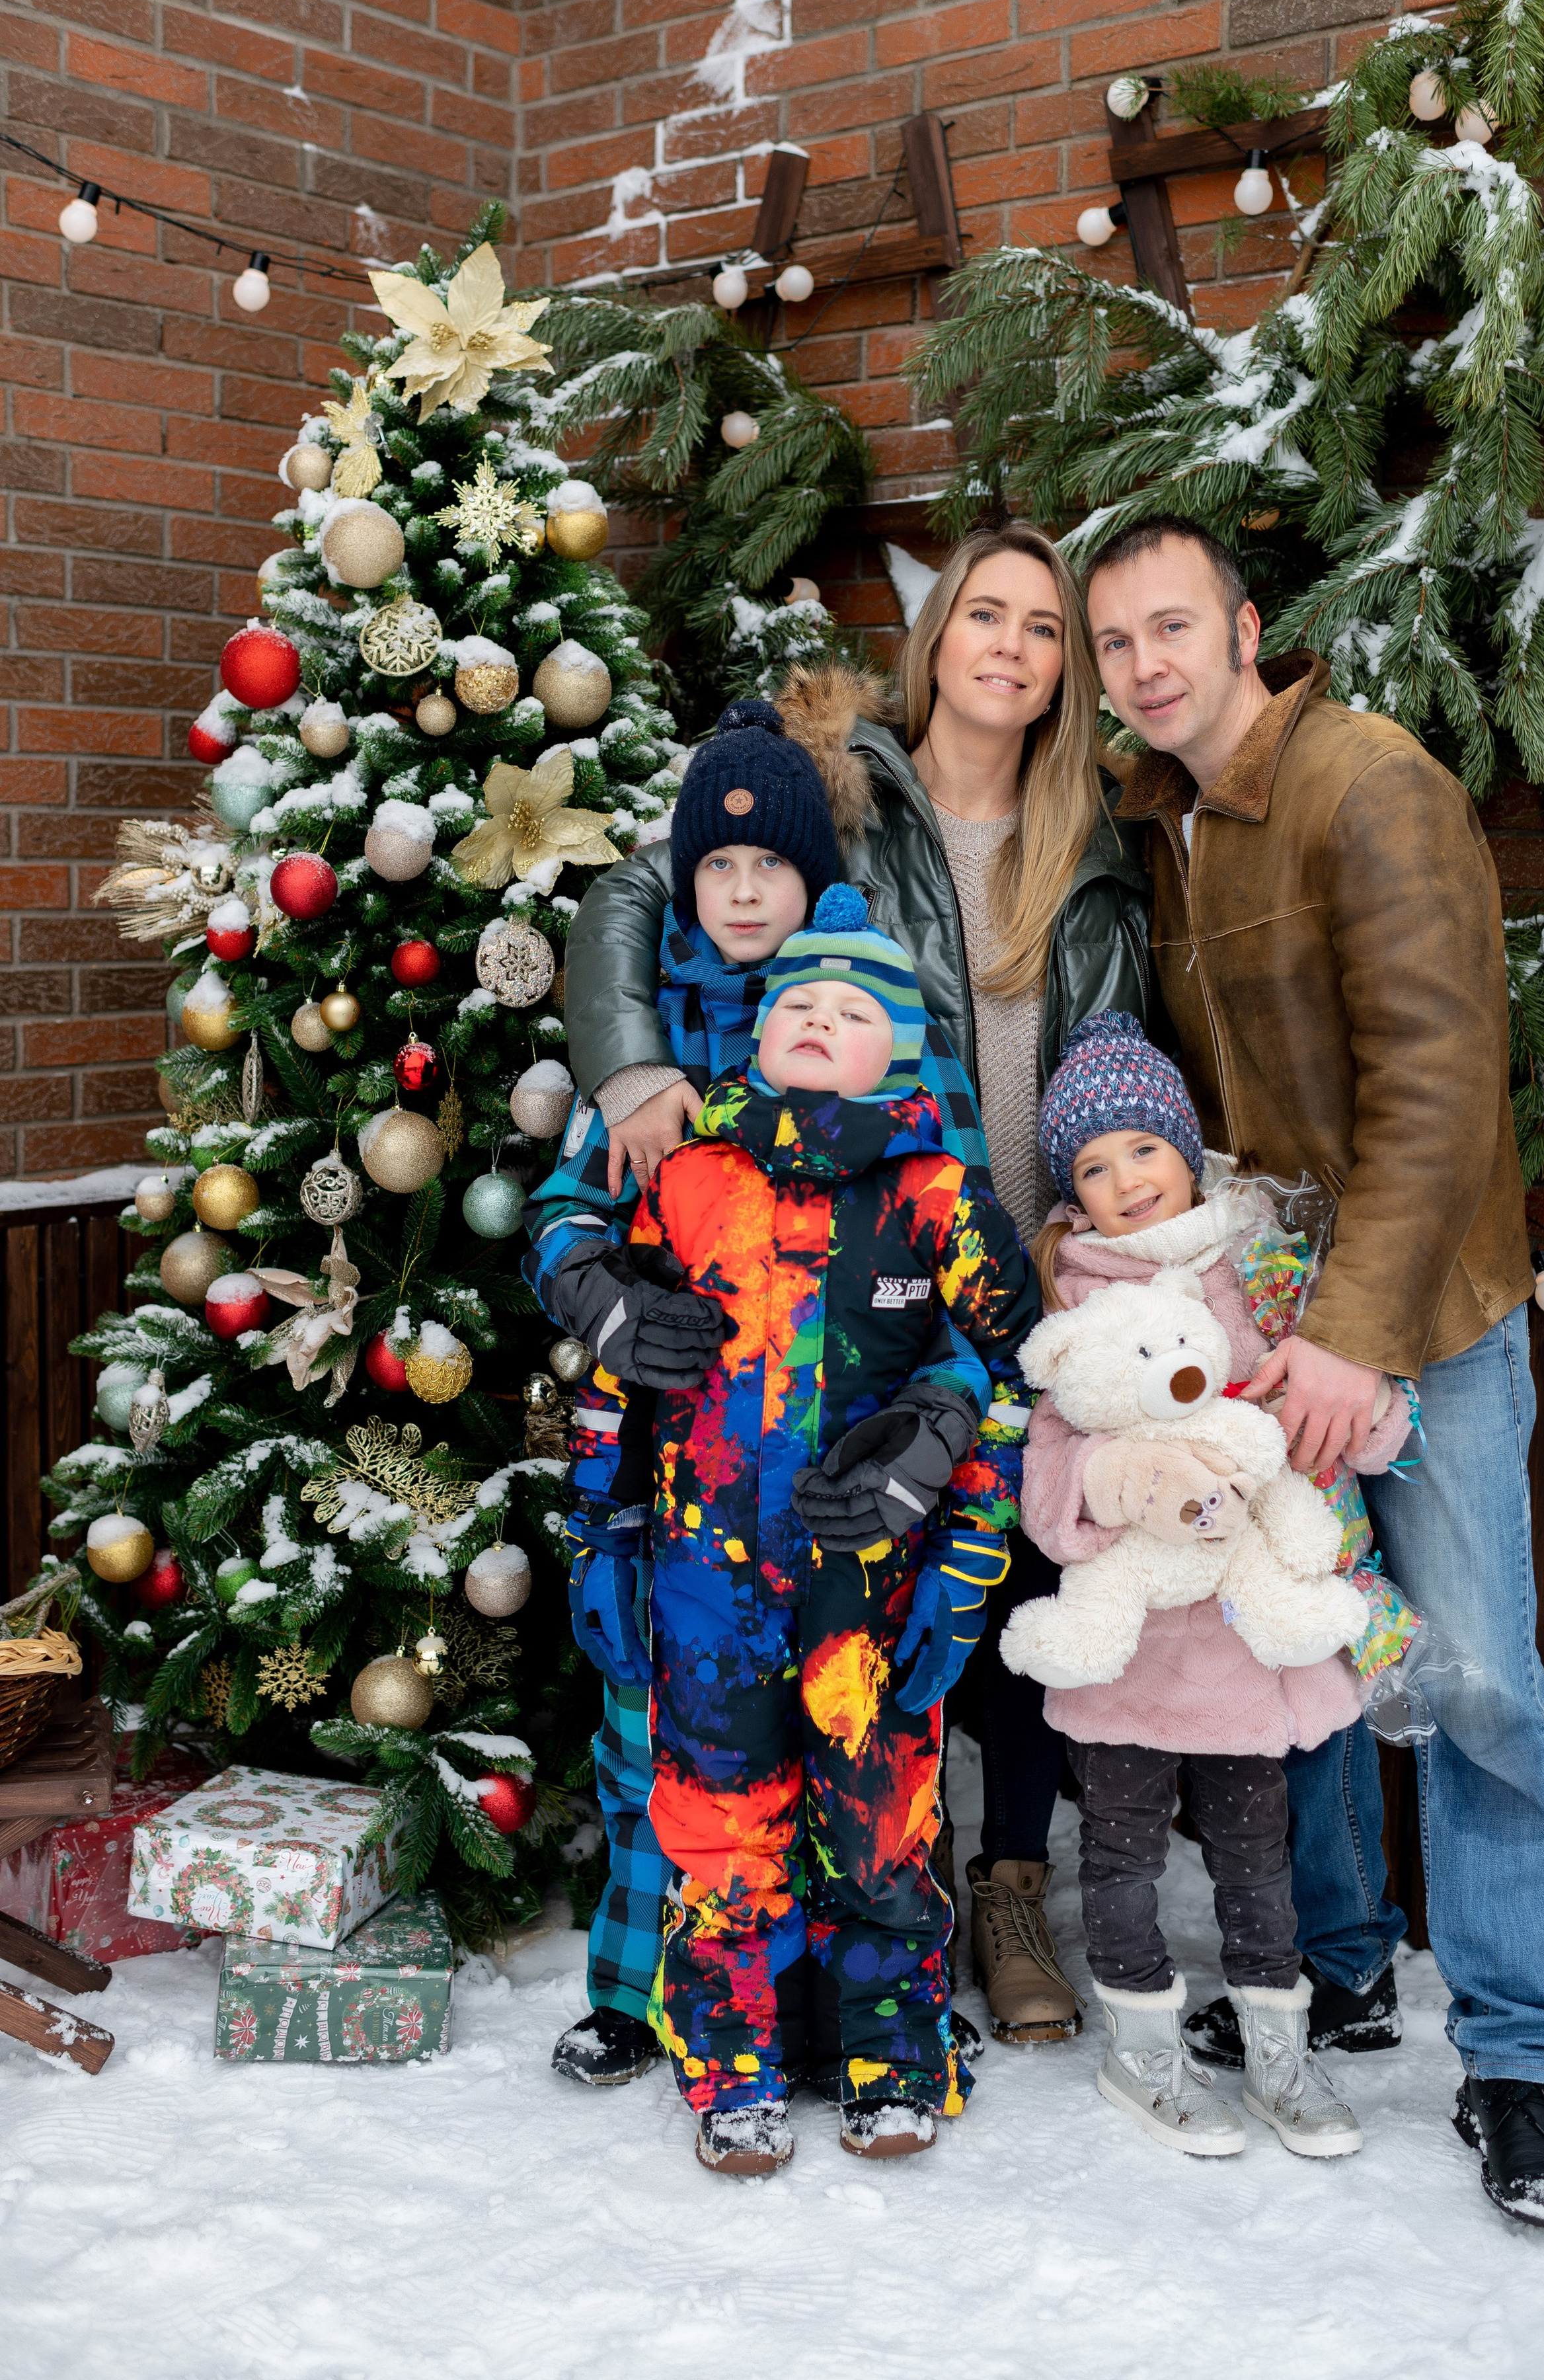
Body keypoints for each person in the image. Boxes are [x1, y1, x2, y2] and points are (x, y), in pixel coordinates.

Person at [563, 524, 1150, 2043]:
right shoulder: (841, 799)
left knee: (935, 1646)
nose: (1010, 646)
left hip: (988, 1257)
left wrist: (972, 1382)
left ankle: (951, 1921)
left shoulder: (1095, 827)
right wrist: (624, 1090)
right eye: (985, 615)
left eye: (1043, 626)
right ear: (939, 632)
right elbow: (654, 881)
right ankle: (699, 1985)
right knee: (706, 1689)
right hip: (770, 1334)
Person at [1089, 513, 1544, 2231]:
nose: (1146, 665)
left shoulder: (1368, 782)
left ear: (1245, 629)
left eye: (1173, 628)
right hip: (1278, 1312)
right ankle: (1344, 1963)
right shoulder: (1173, 828)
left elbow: (1443, 1084)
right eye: (1118, 644)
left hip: (1422, 1319)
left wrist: (1358, 1338)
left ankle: (1516, 2061)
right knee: (1293, 1648)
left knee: (1478, 1686)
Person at [529, 699, 987, 2088]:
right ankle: (645, 1986)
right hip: (687, 1469)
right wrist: (601, 1298)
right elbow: (564, 1217)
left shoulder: (867, 1017)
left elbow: (961, 1256)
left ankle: (854, 2008)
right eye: (714, 867)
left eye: (767, 867)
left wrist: (943, 1435)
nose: (739, 891)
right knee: (667, 1739)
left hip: (849, 1473)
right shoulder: (651, 1036)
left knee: (862, 1750)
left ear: (813, 883)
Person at [562, 886, 1042, 2174]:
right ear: (759, 1034)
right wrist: (597, 1526)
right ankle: (733, 2069)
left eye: (854, 1009)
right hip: (705, 1583)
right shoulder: (689, 1182)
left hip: (867, 1594)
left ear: (898, 1047)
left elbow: (1018, 1374)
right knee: (722, 1832)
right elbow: (619, 1377)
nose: (822, 1022)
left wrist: (962, 1552)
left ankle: (893, 2057)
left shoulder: (934, 1197)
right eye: (799, 1005)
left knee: (879, 1827)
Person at [1018, 1010, 1416, 2161]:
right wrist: (1116, 1476)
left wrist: (1366, 1412)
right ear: (1073, 1198)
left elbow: (1349, 1420)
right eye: (1092, 1169)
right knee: (1126, 1853)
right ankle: (1145, 2054)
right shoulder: (1076, 1303)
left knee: (1257, 1854)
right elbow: (1047, 1488)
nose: (1123, 1181)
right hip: (1134, 1652)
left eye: (1141, 1149)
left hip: (1246, 1651)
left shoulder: (1266, 1265)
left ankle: (1279, 2054)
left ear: (1186, 1150)